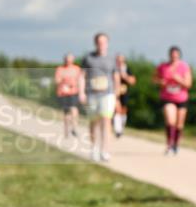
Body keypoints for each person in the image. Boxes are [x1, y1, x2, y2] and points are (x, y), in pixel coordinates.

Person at [79, 33, 120, 162]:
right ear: (95, 43)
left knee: (106, 121)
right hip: (92, 93)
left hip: (107, 94)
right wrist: (81, 92)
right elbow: (81, 75)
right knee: (94, 122)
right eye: (99, 42)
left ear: (107, 43)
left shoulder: (112, 58)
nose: (101, 44)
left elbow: (116, 77)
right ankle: (94, 148)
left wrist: (116, 94)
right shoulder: (88, 58)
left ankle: (105, 150)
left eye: (104, 42)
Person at [155, 46, 193, 155]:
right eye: (172, 55)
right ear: (169, 55)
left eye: (176, 55)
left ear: (179, 56)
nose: (174, 57)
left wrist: (179, 79)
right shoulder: (162, 66)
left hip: (181, 98)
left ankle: (176, 144)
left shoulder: (184, 67)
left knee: (179, 124)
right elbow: (154, 79)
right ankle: (169, 144)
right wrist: (160, 82)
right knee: (170, 121)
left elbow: (189, 84)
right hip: (167, 97)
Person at [54, 53, 82, 137]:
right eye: (67, 59)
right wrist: (64, 82)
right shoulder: (60, 69)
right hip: (63, 93)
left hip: (74, 92)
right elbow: (57, 80)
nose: (68, 61)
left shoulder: (77, 69)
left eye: (70, 59)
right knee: (66, 112)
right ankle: (66, 131)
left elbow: (80, 80)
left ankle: (74, 128)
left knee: (74, 109)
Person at [113, 54, 137, 138]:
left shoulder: (127, 69)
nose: (119, 62)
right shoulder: (113, 68)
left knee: (123, 110)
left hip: (124, 93)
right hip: (114, 92)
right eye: (118, 60)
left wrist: (124, 76)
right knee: (117, 110)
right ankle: (117, 130)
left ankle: (121, 127)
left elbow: (133, 81)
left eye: (121, 60)